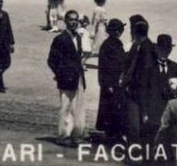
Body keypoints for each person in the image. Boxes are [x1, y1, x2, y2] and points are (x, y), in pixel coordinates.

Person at [121, 15, 167, 166]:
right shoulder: (141, 45)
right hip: (137, 91)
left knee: (137, 126)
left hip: (140, 93)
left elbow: (145, 73)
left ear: (135, 31)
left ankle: (138, 157)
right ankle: (138, 155)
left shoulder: (145, 47)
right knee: (135, 125)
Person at [47, 9, 88, 144]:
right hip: (66, 78)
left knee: (78, 107)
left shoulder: (79, 38)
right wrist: (61, 74)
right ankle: (63, 136)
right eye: (71, 20)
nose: (74, 22)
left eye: (76, 20)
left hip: (78, 78)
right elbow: (52, 60)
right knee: (66, 107)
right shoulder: (60, 39)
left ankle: (76, 135)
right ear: (65, 22)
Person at [94, 18, 128, 143]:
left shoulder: (115, 43)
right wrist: (107, 84)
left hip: (116, 82)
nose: (121, 32)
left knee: (114, 107)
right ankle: (111, 135)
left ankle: (114, 133)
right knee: (111, 108)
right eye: (120, 29)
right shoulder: (108, 45)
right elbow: (104, 66)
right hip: (110, 83)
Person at [155, 34, 177, 99]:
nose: (164, 52)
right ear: (156, 49)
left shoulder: (175, 67)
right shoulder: (149, 67)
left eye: (167, 49)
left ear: (170, 50)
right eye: (162, 49)